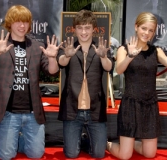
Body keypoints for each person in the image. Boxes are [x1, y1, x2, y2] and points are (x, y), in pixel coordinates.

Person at [0, 5, 61, 159]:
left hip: (32, 111)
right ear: (10, 22)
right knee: (6, 155)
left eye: (25, 22)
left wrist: (51, 58)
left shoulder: (36, 46)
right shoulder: (0, 42)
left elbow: (52, 71)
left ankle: (13, 140)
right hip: (8, 110)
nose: (22, 26)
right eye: (18, 22)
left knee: (36, 154)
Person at [106, 12, 167, 159]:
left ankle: (131, 144)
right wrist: (130, 56)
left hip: (149, 105)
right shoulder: (124, 49)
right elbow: (119, 70)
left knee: (150, 154)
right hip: (130, 104)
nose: (147, 33)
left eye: (151, 30)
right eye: (144, 28)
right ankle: (107, 144)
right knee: (125, 156)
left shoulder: (156, 51)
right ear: (136, 27)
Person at [57, 10, 113, 158]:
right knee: (71, 154)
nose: (83, 32)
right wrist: (67, 56)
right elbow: (61, 63)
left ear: (93, 29)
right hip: (72, 108)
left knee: (99, 154)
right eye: (80, 28)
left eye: (87, 27)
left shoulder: (101, 48)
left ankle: (89, 140)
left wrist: (103, 57)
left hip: (95, 108)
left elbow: (109, 67)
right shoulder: (68, 46)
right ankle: (75, 142)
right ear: (74, 29)